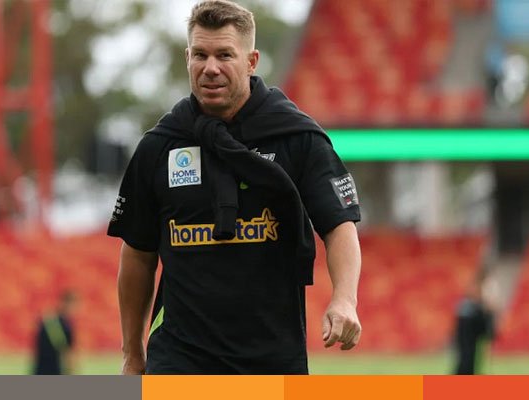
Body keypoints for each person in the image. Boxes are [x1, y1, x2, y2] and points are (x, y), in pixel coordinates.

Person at [108, 0, 362, 375]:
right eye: (200, 55)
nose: (210, 67)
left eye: (225, 55)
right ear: (188, 58)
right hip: (179, 360)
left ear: (251, 61)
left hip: (271, 359)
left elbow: (339, 225)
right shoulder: (159, 146)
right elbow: (137, 255)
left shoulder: (298, 139)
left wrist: (345, 298)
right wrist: (132, 352)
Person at [453, 271, 497, 375]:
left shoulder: (473, 306)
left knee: (469, 356)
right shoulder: (470, 306)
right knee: (467, 356)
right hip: (467, 332)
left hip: (470, 332)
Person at [32, 290, 77, 375]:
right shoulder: (65, 325)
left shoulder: (48, 320)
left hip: (42, 369)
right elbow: (68, 354)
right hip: (53, 370)